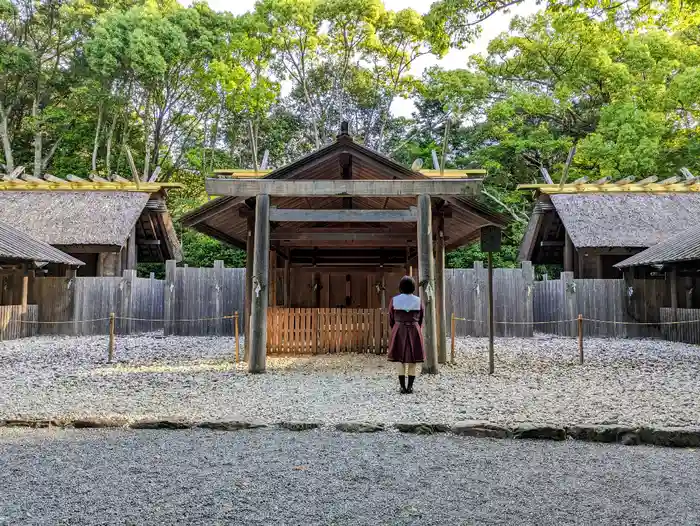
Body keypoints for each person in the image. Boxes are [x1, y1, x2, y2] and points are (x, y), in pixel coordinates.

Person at [387, 276, 425, 394]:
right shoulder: (418, 301)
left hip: (399, 329)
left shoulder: (394, 300)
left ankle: (402, 387)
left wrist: (396, 327)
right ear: (413, 287)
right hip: (414, 329)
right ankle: (410, 387)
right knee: (413, 359)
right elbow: (421, 318)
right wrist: (417, 327)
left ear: (401, 287)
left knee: (400, 359)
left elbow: (391, 318)